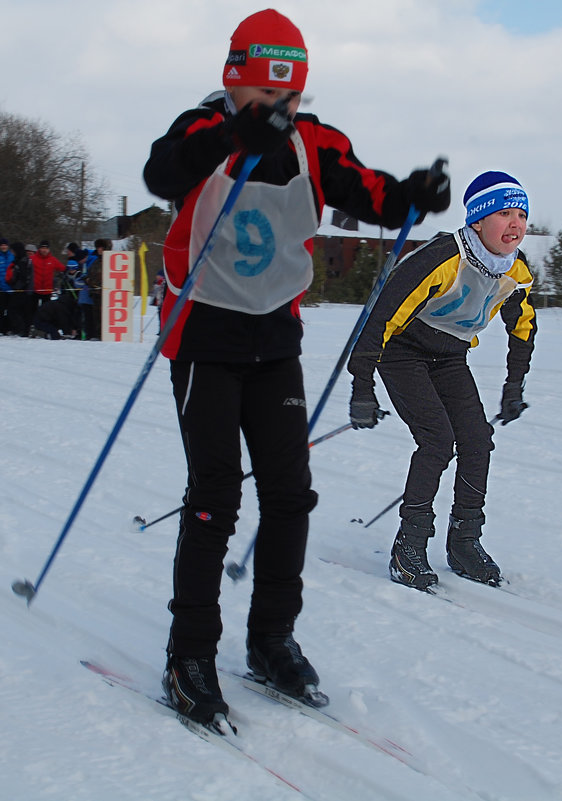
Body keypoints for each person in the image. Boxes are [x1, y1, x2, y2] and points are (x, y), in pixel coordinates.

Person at [142, 8, 449, 727]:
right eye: (262, 97)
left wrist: (413, 195)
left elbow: (370, 192)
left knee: (289, 493)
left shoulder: (315, 143)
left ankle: (271, 638)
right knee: (215, 494)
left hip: (275, 339)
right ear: (234, 81)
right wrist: (232, 134)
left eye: (287, 98)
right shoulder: (201, 128)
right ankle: (189, 654)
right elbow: (163, 173)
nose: (276, 110)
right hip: (204, 339)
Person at [347, 171, 537, 591]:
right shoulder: (441, 258)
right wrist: (362, 386)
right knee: (437, 440)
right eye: (504, 213)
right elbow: (379, 317)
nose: (516, 224)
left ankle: (464, 542)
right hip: (403, 353)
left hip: (449, 356)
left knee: (476, 440)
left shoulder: (515, 270)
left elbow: (523, 327)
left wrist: (514, 385)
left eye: (521, 215)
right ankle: (408, 547)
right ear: (478, 220)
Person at [30, 240, 65, 309]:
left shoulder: (53, 260)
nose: (44, 250)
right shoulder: (32, 259)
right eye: (42, 248)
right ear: (39, 249)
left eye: (46, 248)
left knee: (46, 311)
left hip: (47, 291)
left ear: (49, 249)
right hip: (35, 290)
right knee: (32, 310)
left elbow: (63, 269)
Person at [0, 238, 14, 334]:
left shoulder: (12, 257)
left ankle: (8, 328)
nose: (3, 247)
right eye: (2, 245)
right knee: (1, 309)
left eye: (5, 245)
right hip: (1, 288)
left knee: (10, 310)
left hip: (10, 289)